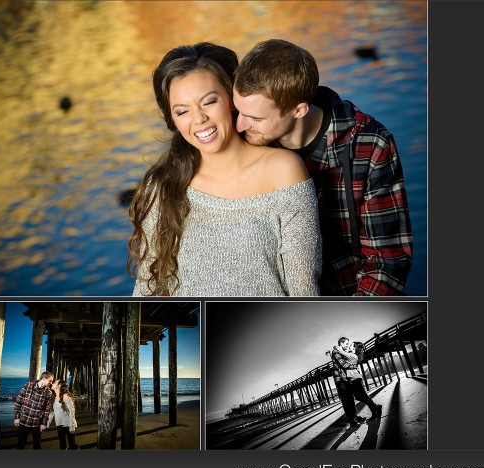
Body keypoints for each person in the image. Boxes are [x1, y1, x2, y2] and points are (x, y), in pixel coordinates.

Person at [129, 42, 322, 297]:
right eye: (182, 111)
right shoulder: (164, 186)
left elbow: (304, 291)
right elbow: (146, 289)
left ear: (231, 99)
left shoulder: (284, 171)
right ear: (173, 120)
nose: (199, 119)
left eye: (209, 102)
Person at [233, 39, 413, 296]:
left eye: (255, 118)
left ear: (299, 110)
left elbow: (387, 262)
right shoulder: (245, 140)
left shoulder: (371, 144)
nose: (239, 126)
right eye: (238, 111)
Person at [331, 337, 382, 426]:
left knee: (353, 398)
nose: (347, 345)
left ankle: (366, 412)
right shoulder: (336, 351)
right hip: (341, 379)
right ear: (341, 343)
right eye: (346, 343)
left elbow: (350, 360)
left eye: (349, 344)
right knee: (348, 400)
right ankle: (353, 420)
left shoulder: (347, 353)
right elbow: (344, 364)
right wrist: (354, 366)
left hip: (350, 378)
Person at [13, 371, 55, 450]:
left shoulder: (48, 392)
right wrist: (16, 417)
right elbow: (18, 401)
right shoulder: (28, 385)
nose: (51, 383)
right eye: (50, 380)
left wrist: (44, 423)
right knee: (20, 444)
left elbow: (47, 410)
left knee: (37, 446)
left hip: (37, 424)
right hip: (23, 421)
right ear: (43, 379)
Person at [46, 379, 78, 450]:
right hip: (59, 424)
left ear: (59, 385)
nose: (52, 383)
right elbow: (52, 412)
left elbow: (72, 411)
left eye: (54, 382)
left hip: (69, 424)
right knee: (62, 445)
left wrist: (72, 426)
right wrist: (47, 424)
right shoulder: (53, 396)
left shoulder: (65, 396)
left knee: (72, 445)